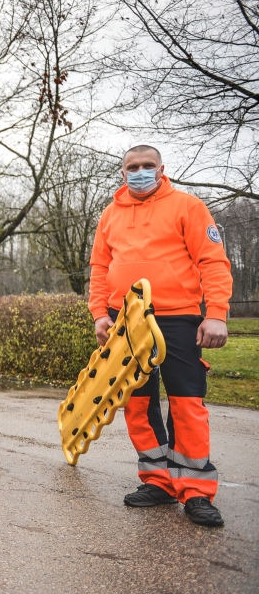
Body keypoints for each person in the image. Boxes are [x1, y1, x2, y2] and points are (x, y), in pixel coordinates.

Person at [89, 145, 232, 527]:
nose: (139, 172)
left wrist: (216, 314)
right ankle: (158, 481)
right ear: (122, 173)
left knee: (186, 403)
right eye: (132, 167)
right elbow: (100, 267)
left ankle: (197, 491)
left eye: (146, 166)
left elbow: (213, 262)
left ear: (161, 169)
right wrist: (100, 313)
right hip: (126, 320)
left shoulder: (187, 206)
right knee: (137, 403)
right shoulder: (110, 214)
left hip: (178, 318)